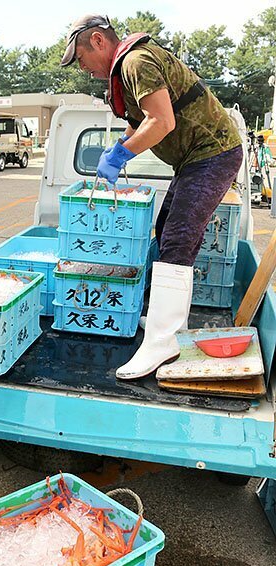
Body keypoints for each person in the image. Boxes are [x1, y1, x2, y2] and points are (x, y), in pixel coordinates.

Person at [61, 15, 243, 379]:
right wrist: (119, 146)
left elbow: (162, 122)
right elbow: (140, 119)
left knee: (178, 241)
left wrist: (121, 155)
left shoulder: (135, 62)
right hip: (195, 159)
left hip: (213, 153)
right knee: (167, 229)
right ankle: (164, 323)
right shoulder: (127, 69)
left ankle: (163, 342)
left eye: (80, 58)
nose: (83, 68)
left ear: (98, 41)